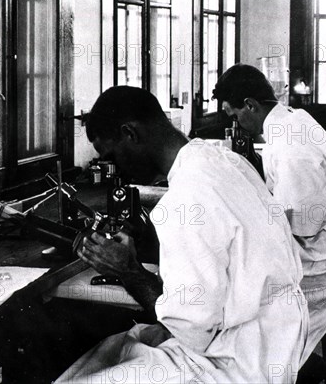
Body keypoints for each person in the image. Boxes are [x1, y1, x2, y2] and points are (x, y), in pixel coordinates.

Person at [56, 86, 308, 383]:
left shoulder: (184, 199)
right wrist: (151, 245)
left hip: (233, 365)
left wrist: (128, 270)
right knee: (114, 348)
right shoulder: (224, 160)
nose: (117, 171)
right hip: (276, 337)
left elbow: (191, 331)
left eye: (111, 156)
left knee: (81, 374)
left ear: (130, 134)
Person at [212, 64, 326, 363]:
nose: (236, 124)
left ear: (250, 105)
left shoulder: (292, 146)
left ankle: (257, 364)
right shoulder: (290, 120)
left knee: (242, 288)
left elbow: (304, 227)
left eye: (235, 116)